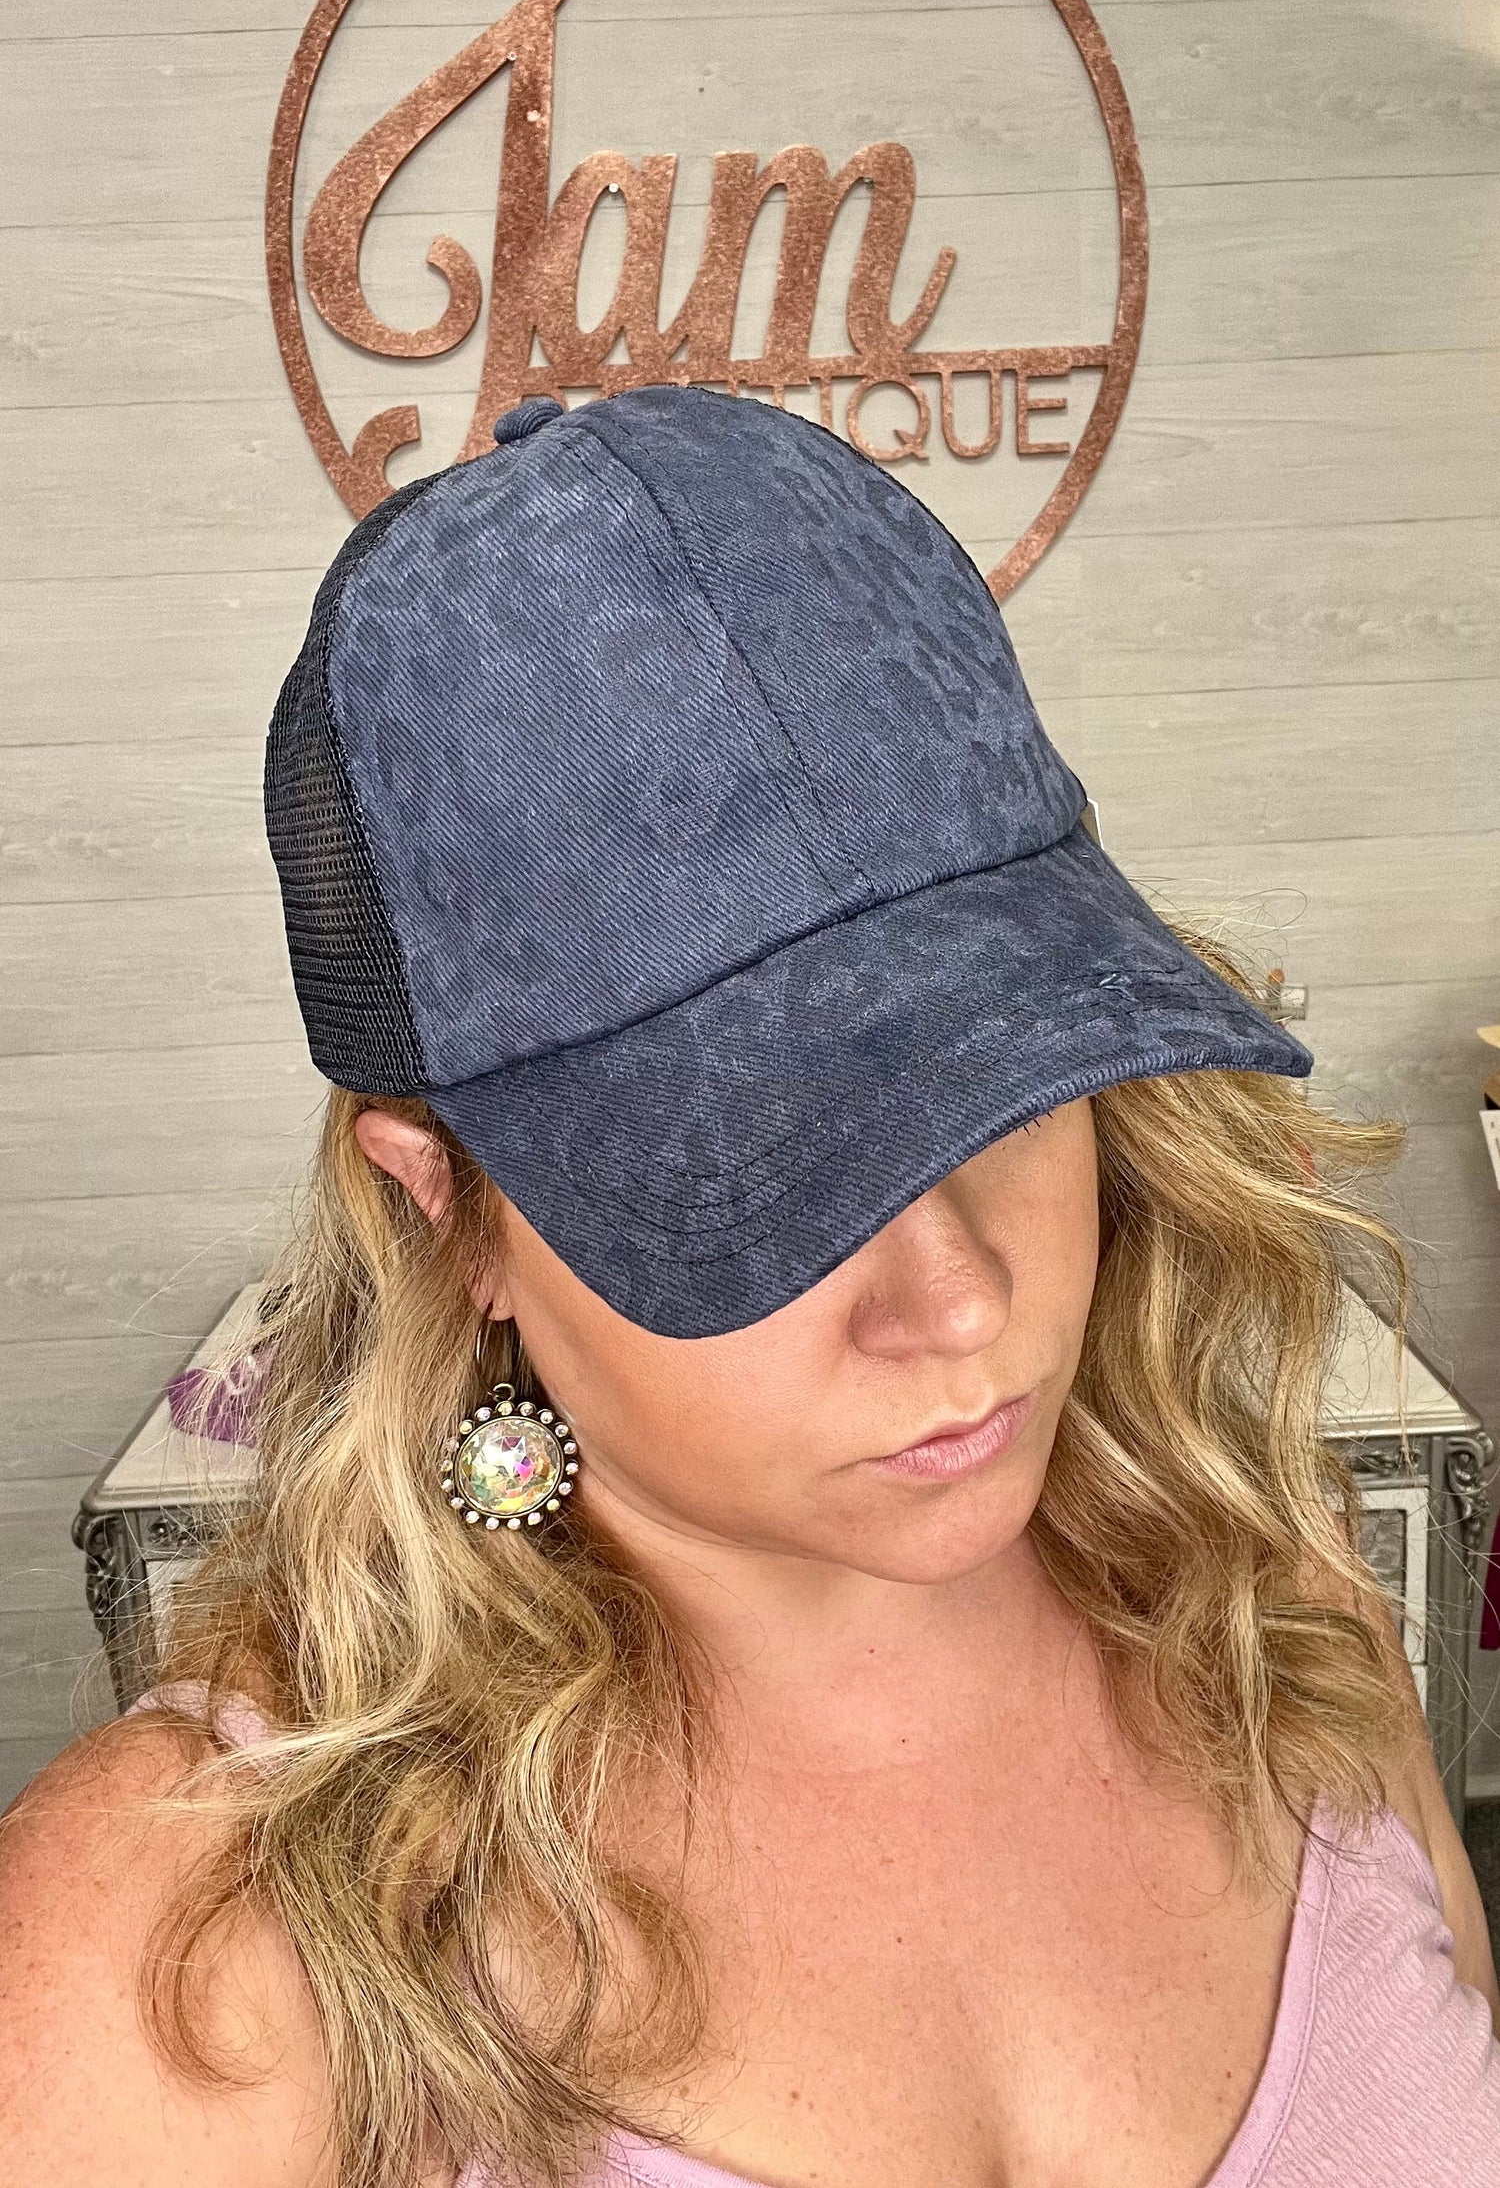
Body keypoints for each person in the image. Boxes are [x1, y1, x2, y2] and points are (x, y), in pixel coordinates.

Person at [1, 385, 1497, 2188]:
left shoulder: (1276, 1607)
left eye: (1010, 1080)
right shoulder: (179, 1956)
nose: (957, 1299)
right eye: (757, 1166)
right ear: (448, 1216)